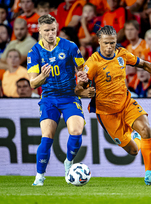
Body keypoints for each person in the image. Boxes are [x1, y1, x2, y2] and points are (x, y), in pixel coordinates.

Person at [75, 25, 151, 185]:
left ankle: (149, 174)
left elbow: (143, 64)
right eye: (106, 43)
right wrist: (84, 93)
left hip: (126, 103)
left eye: (112, 43)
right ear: (99, 41)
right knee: (134, 150)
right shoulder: (92, 63)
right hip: (106, 112)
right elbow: (78, 88)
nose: (109, 47)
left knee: (146, 129)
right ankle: (133, 137)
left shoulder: (122, 54)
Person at [27, 14, 93, 186]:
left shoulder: (69, 46)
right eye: (47, 30)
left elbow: (82, 67)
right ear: (40, 31)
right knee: (47, 137)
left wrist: (82, 75)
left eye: (53, 30)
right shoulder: (34, 52)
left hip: (70, 96)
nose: (51, 34)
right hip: (49, 98)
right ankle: (40, 176)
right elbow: (33, 83)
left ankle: (69, 162)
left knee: (77, 131)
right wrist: (42, 76)